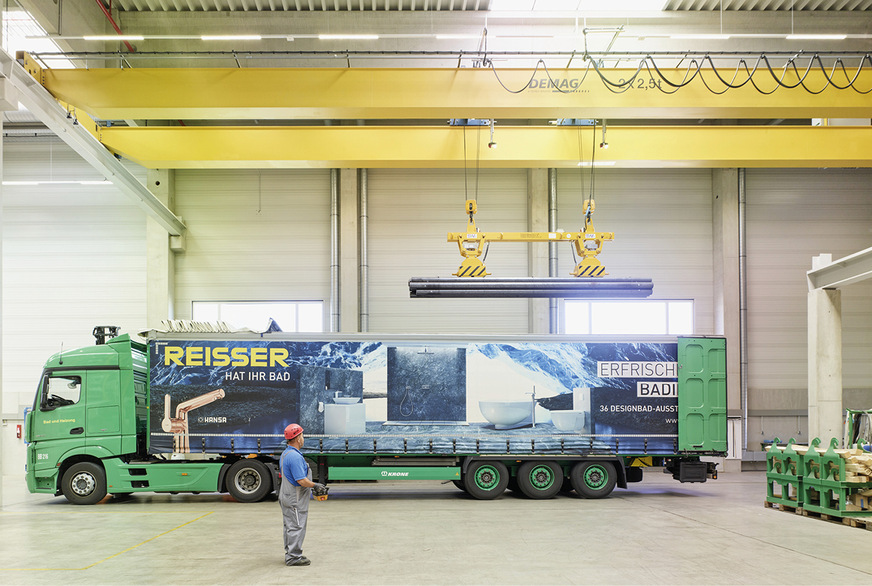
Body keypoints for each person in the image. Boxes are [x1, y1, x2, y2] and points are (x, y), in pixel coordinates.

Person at [279, 423, 326, 567]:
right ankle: (293, 557)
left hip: (288, 496)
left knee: (290, 526)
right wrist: (315, 485)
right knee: (296, 526)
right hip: (295, 498)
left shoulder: (286, 453)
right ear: (298, 438)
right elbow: (301, 480)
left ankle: (292, 553)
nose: (303, 438)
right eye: (302, 435)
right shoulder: (294, 457)